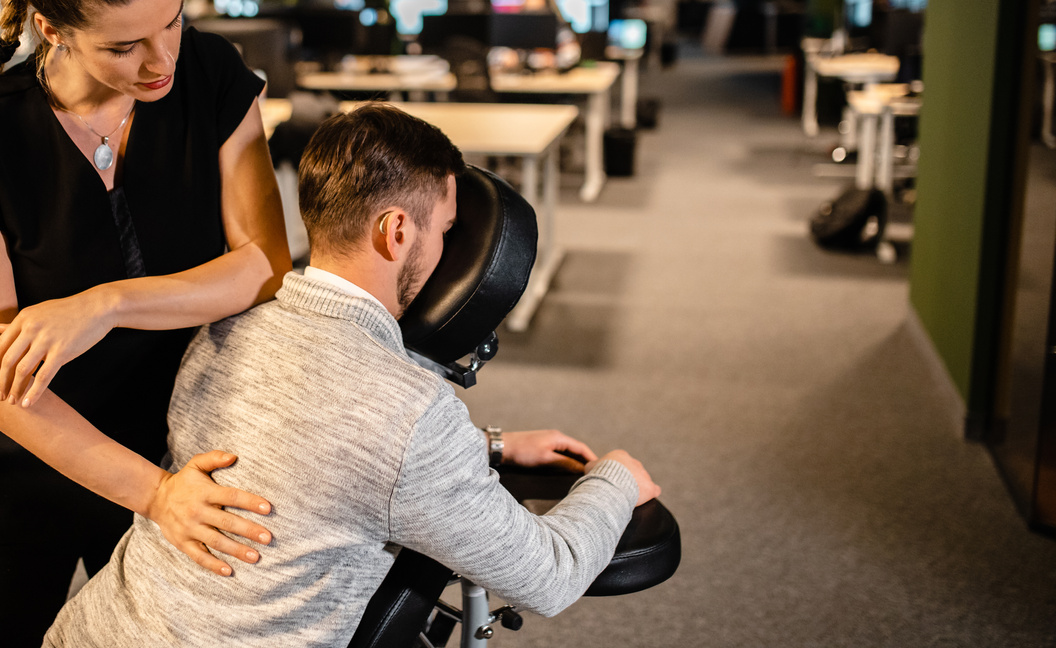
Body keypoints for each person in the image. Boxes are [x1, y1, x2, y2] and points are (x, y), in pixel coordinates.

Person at [44, 103, 660, 647]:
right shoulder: (408, 411)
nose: (448, 250)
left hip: (89, 629)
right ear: (395, 232)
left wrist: (489, 448)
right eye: (444, 230)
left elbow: (315, 458)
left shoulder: (226, 328)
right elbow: (548, 576)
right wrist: (615, 479)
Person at [0, 0, 292, 648]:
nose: (161, 62)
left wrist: (103, 305)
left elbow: (263, 268)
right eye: (124, 46)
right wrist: (151, 494)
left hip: (178, 450)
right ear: (50, 28)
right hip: (19, 480)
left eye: (172, 21)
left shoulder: (215, 78)